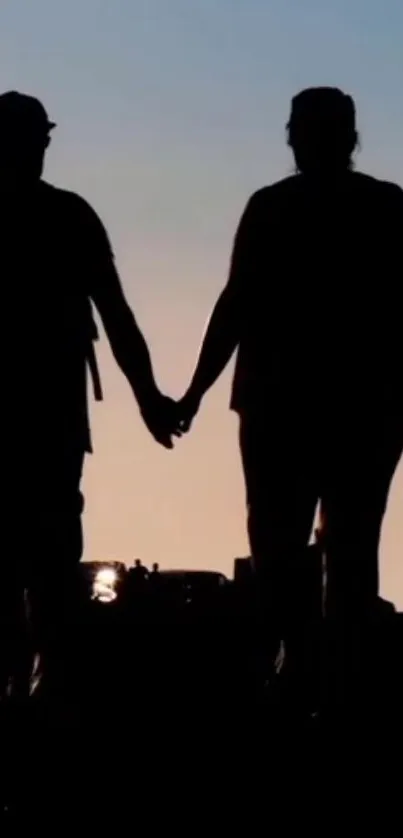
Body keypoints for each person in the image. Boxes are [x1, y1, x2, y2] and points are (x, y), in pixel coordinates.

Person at [177, 87, 403, 697]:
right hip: (362, 410)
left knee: (284, 546)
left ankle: (298, 669)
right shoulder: (385, 208)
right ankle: (333, 680)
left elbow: (235, 307)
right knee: (349, 547)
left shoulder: (273, 208)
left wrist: (194, 392)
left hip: (288, 407)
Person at [0, 91, 181, 688]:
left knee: (49, 563)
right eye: (34, 141)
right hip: (50, 422)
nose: (39, 152)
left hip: (51, 425)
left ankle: (43, 681)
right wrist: (150, 399)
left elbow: (117, 316)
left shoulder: (72, 217)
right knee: (48, 560)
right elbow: (117, 316)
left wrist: (150, 397)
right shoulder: (71, 217)